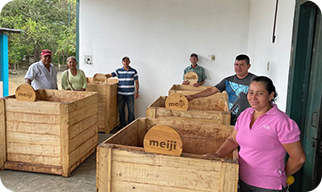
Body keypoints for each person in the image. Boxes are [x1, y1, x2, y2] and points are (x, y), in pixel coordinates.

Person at [205, 76, 306, 192]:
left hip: (268, 186)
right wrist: (218, 154)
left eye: (259, 93)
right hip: (242, 179)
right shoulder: (245, 114)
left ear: (270, 95)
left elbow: (298, 158)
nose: (253, 97)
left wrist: (283, 174)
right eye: (250, 93)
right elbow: (233, 140)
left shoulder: (281, 121)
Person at [186, 54, 255, 125]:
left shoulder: (256, 81)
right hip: (232, 119)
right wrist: (193, 96)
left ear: (248, 66)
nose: (238, 67)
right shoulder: (228, 80)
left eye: (242, 65)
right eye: (236, 64)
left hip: (250, 120)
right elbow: (211, 90)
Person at [101, 56, 139, 128]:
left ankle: (131, 125)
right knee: (121, 109)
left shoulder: (134, 71)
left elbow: (136, 82)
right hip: (121, 94)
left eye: (127, 61)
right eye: (124, 61)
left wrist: (137, 92)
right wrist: (101, 76)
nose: (125, 62)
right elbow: (110, 75)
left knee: (131, 110)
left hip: (130, 94)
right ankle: (123, 125)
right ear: (122, 62)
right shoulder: (118, 71)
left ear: (129, 62)